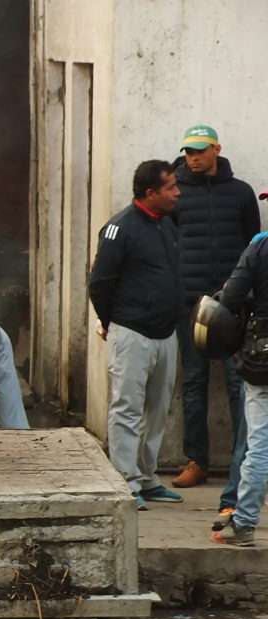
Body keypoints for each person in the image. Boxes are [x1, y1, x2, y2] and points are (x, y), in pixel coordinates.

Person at [170, 125, 259, 499]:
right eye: (188, 151)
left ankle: (244, 463)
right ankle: (196, 460)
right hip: (190, 304)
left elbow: (253, 243)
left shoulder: (240, 194)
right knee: (193, 382)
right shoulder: (175, 194)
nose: (193, 157)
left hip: (233, 305)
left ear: (216, 150)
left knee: (240, 385)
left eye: (200, 150)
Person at [89, 160, 185, 510]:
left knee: (158, 411)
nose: (177, 192)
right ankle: (126, 482)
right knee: (126, 408)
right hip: (131, 333)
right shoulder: (119, 228)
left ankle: (147, 477)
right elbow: (99, 283)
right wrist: (109, 322)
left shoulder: (167, 224)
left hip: (166, 334)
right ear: (150, 193)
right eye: (171, 187)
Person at [213, 234, 268, 546]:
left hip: (263, 357)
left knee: (259, 443)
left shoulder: (260, 247)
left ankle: (244, 522)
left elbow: (230, 298)